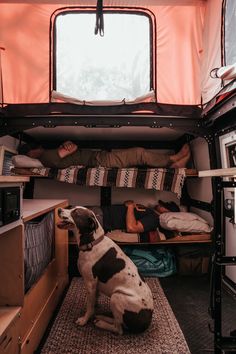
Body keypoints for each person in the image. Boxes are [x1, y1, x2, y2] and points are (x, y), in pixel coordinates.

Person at [18, 141, 190, 169]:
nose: (38, 147)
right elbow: (73, 146)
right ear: (31, 153)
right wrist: (67, 145)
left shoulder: (48, 154)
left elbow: (70, 146)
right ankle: (173, 159)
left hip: (97, 158)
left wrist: (66, 144)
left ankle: (174, 163)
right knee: (138, 153)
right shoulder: (46, 157)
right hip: (98, 160)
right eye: (34, 148)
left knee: (137, 153)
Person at [99, 199, 180, 235]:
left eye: (164, 206)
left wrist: (130, 206)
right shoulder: (151, 212)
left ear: (168, 212)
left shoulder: (154, 219)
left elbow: (131, 228)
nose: (160, 204)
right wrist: (130, 203)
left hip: (103, 217)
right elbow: (127, 205)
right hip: (102, 211)